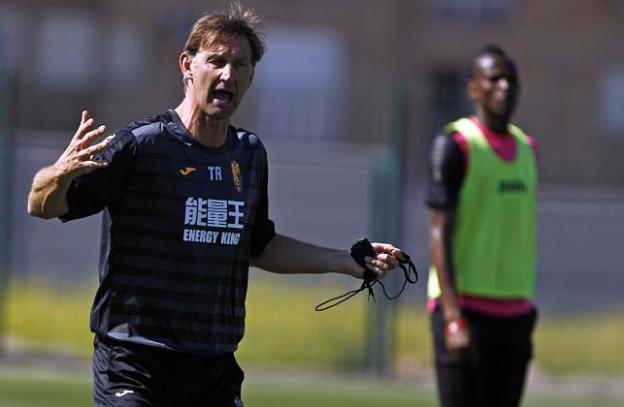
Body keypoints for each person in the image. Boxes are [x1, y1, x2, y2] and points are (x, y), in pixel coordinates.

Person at [26, 4, 402, 406]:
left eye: (240, 65)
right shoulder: (144, 145)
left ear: (251, 76)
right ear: (187, 66)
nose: (228, 75)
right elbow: (42, 205)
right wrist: (57, 174)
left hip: (213, 366)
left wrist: (344, 261)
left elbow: (258, 245)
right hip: (135, 357)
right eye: (217, 61)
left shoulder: (249, 154)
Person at [426, 44, 538, 407]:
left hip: (514, 314)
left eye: (511, 79)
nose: (505, 86)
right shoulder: (456, 145)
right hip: (465, 311)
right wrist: (453, 317)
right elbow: (437, 231)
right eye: (494, 79)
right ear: (473, 88)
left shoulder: (528, 148)